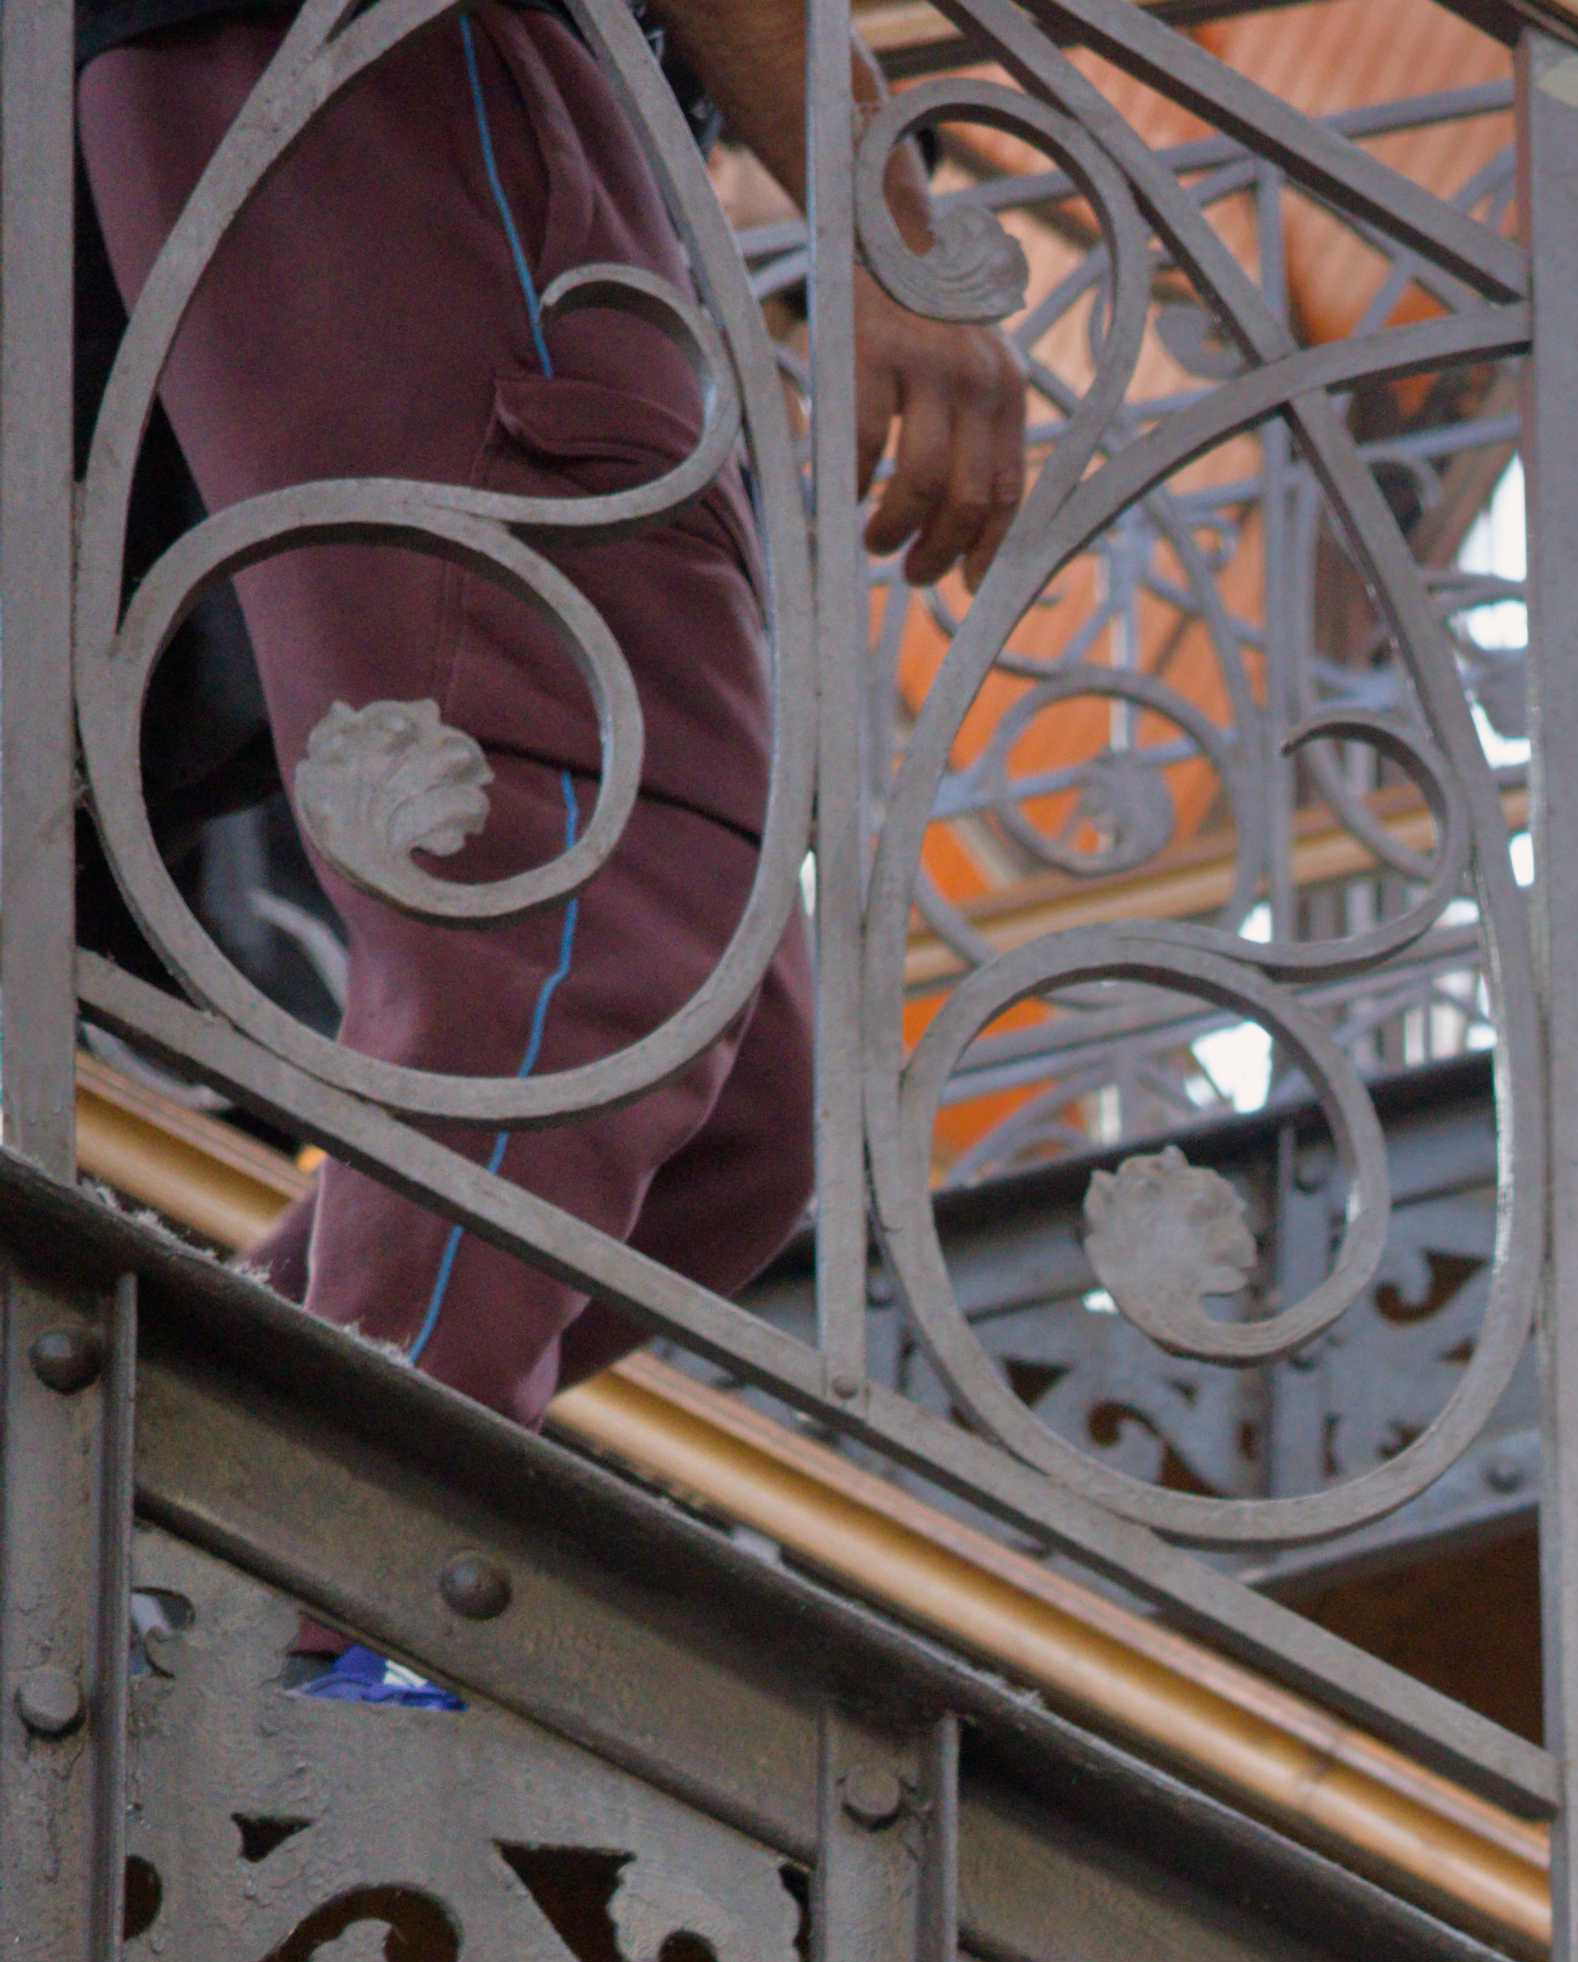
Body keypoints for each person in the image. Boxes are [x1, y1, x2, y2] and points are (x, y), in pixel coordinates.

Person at [76, 0, 1023, 1592]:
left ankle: (175, 1556)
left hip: (391, 107)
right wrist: (891, 233)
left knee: (742, 1104)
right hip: (408, 66)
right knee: (583, 910)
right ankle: (316, 1629)